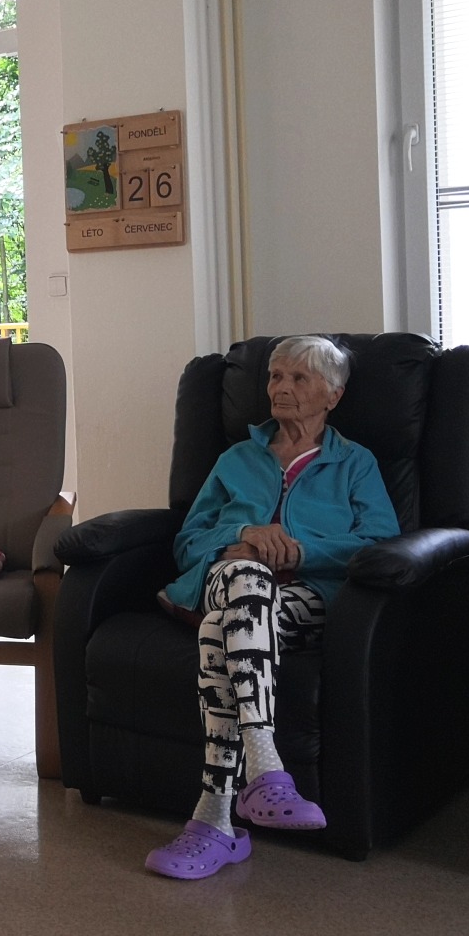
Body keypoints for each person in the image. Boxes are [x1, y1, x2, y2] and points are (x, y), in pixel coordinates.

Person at [143, 335, 398, 881]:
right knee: (247, 576)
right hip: (225, 576)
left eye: (299, 378)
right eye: (275, 376)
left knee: (219, 632)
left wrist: (302, 551)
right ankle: (265, 768)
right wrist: (241, 534)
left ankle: (213, 821)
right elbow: (188, 542)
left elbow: (380, 542)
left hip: (308, 595)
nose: (281, 387)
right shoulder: (236, 458)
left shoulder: (356, 463)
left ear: (333, 395)